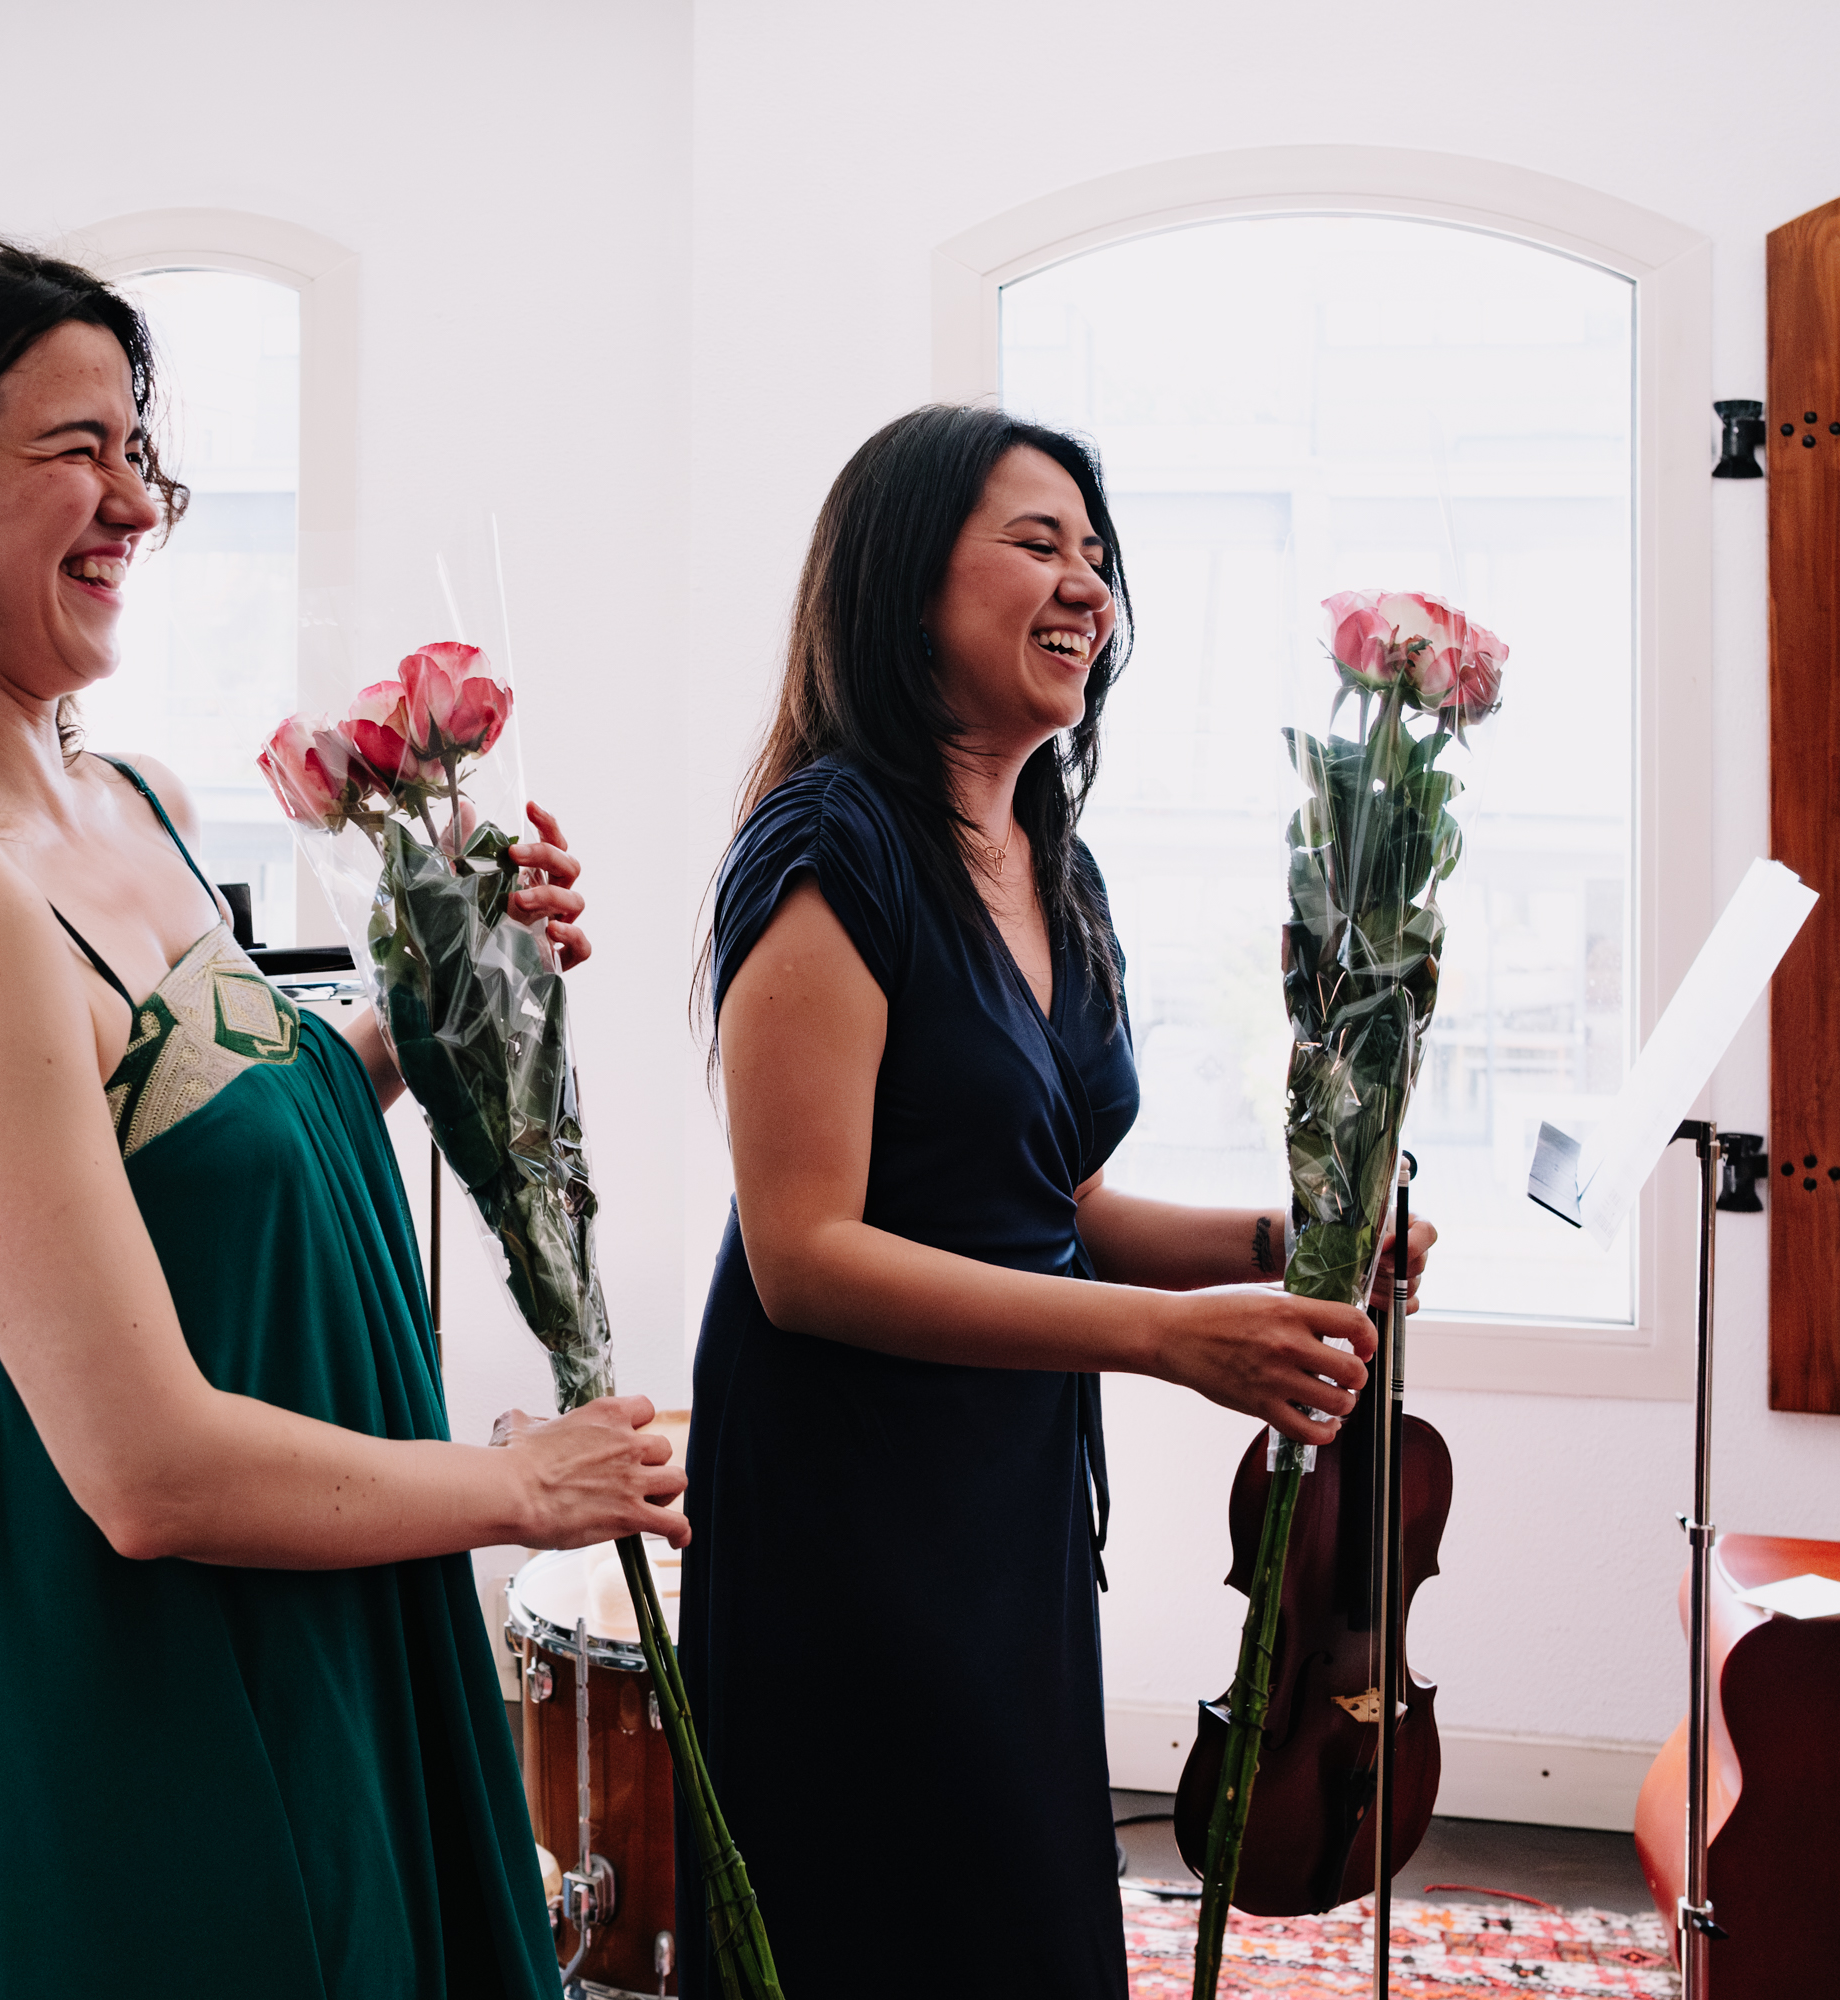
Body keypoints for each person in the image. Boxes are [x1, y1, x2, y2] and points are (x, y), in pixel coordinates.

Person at [0, 232, 685, 1999]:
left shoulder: (127, 795)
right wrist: (516, 1488)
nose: (133, 504)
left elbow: (236, 1146)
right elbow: (146, 1472)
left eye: (139, 453)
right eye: (73, 452)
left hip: (333, 1615)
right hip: (179, 1704)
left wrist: (447, 988)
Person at [680, 404, 1435, 1996]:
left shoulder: (1051, 859)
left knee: (1017, 1917)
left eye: (1098, 553)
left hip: (1005, 1485)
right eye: (1037, 543)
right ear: (903, 585)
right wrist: (1166, 1340)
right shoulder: (830, 846)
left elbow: (1055, 1198)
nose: (1087, 583)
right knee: (880, 1924)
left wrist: (1293, 1247)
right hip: (847, 1499)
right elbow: (804, 1255)